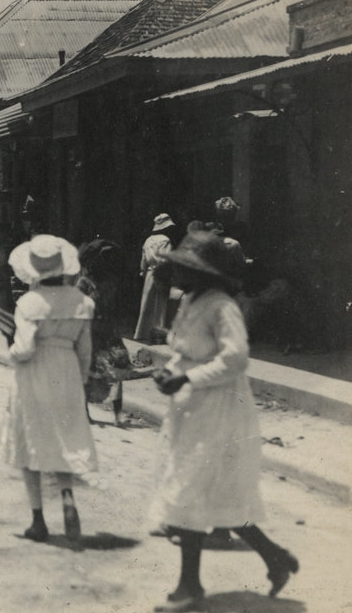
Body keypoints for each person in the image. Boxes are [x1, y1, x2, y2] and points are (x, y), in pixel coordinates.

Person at [148, 231, 298, 612]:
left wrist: (188, 378)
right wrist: (171, 371)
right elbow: (185, 351)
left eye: (185, 268)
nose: (177, 274)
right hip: (191, 407)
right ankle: (276, 558)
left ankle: (189, 585)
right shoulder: (189, 301)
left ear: (205, 274)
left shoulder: (222, 307)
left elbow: (235, 359)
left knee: (192, 488)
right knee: (215, 495)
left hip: (220, 408)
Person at [0, 235, 96, 549]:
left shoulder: (29, 303)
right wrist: (80, 381)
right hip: (67, 371)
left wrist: (10, 354)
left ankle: (38, 519)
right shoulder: (81, 301)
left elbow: (24, 348)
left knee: (29, 442)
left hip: (35, 374)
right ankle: (67, 496)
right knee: (64, 439)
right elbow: (85, 351)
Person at [76, 239, 128, 425]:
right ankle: (84, 411)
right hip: (90, 331)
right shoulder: (84, 283)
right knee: (87, 371)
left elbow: (117, 306)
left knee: (117, 369)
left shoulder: (111, 282)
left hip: (109, 331)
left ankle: (118, 413)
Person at [134, 213, 179, 342]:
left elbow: (144, 260)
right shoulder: (165, 240)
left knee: (147, 303)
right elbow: (166, 258)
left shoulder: (148, 240)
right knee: (160, 305)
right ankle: (158, 335)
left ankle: (142, 332)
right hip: (161, 273)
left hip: (149, 273)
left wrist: (143, 271)